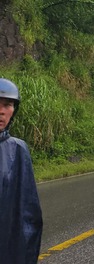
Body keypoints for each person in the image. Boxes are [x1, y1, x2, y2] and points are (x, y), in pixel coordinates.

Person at [0, 78, 43, 264]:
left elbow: (28, 214)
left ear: (13, 111)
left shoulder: (17, 150)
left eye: (7, 104)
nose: (1, 111)